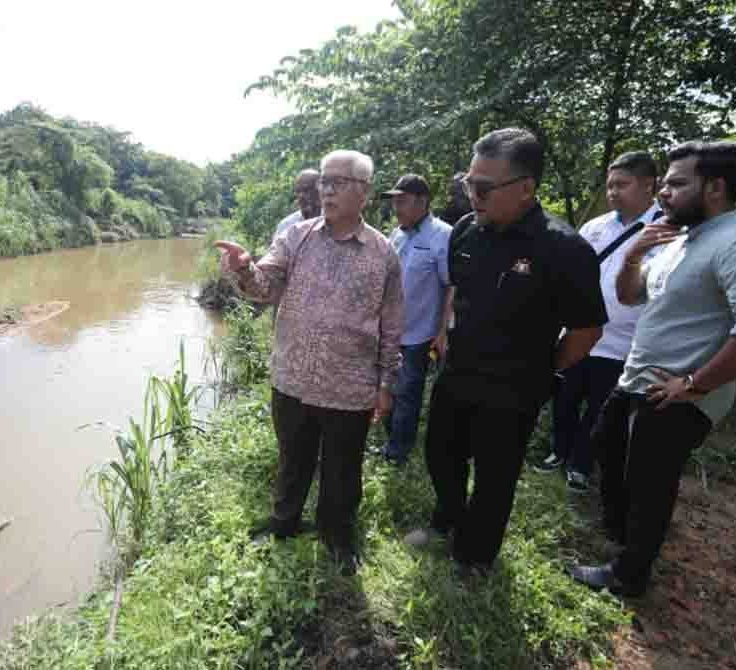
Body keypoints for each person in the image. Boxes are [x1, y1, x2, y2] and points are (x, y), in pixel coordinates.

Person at [570, 140, 736, 596]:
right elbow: (633, 296)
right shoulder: (680, 238)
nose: (664, 193)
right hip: (638, 379)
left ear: (714, 187)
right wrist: (633, 256)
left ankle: (629, 576)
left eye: (675, 183)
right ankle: (624, 542)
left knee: (650, 483)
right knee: (607, 449)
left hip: (677, 393)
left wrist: (694, 384)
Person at [404, 128, 607, 575]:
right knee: (441, 454)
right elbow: (457, 290)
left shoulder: (564, 249)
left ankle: (475, 557)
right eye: (467, 183)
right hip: (458, 372)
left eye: (483, 187)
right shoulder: (466, 231)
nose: (471, 195)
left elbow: (587, 328)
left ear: (526, 189)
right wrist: (444, 333)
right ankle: (448, 519)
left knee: (495, 479)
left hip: (514, 387)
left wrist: (546, 366)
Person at [215, 150, 403, 576]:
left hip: (350, 387)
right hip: (293, 379)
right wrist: (244, 269)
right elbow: (264, 286)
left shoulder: (382, 254)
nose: (328, 189)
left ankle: (337, 537)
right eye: (324, 181)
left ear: (365, 193)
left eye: (340, 182)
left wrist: (386, 383)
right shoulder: (296, 237)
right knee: (292, 460)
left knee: (343, 472)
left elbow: (392, 326)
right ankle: (284, 524)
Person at [537, 151, 663, 493]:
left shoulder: (667, 231)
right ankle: (558, 451)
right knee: (564, 402)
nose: (613, 192)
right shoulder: (595, 227)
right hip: (581, 335)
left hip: (624, 344)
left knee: (599, 410)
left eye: (622, 185)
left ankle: (581, 464)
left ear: (648, 185)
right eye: (609, 185)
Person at [380, 174, 454, 464]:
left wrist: (443, 331)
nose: (396, 207)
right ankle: (391, 442)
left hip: (420, 333)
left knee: (408, 393)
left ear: (422, 202)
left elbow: (451, 285)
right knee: (388, 389)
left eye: (402, 200)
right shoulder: (397, 234)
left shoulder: (442, 235)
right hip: (390, 330)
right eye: (394, 201)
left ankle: (398, 452)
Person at [273, 169, 321, 242]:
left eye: (306, 190)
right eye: (298, 191)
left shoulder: (333, 220)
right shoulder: (286, 225)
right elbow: (276, 252)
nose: (301, 196)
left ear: (319, 190)